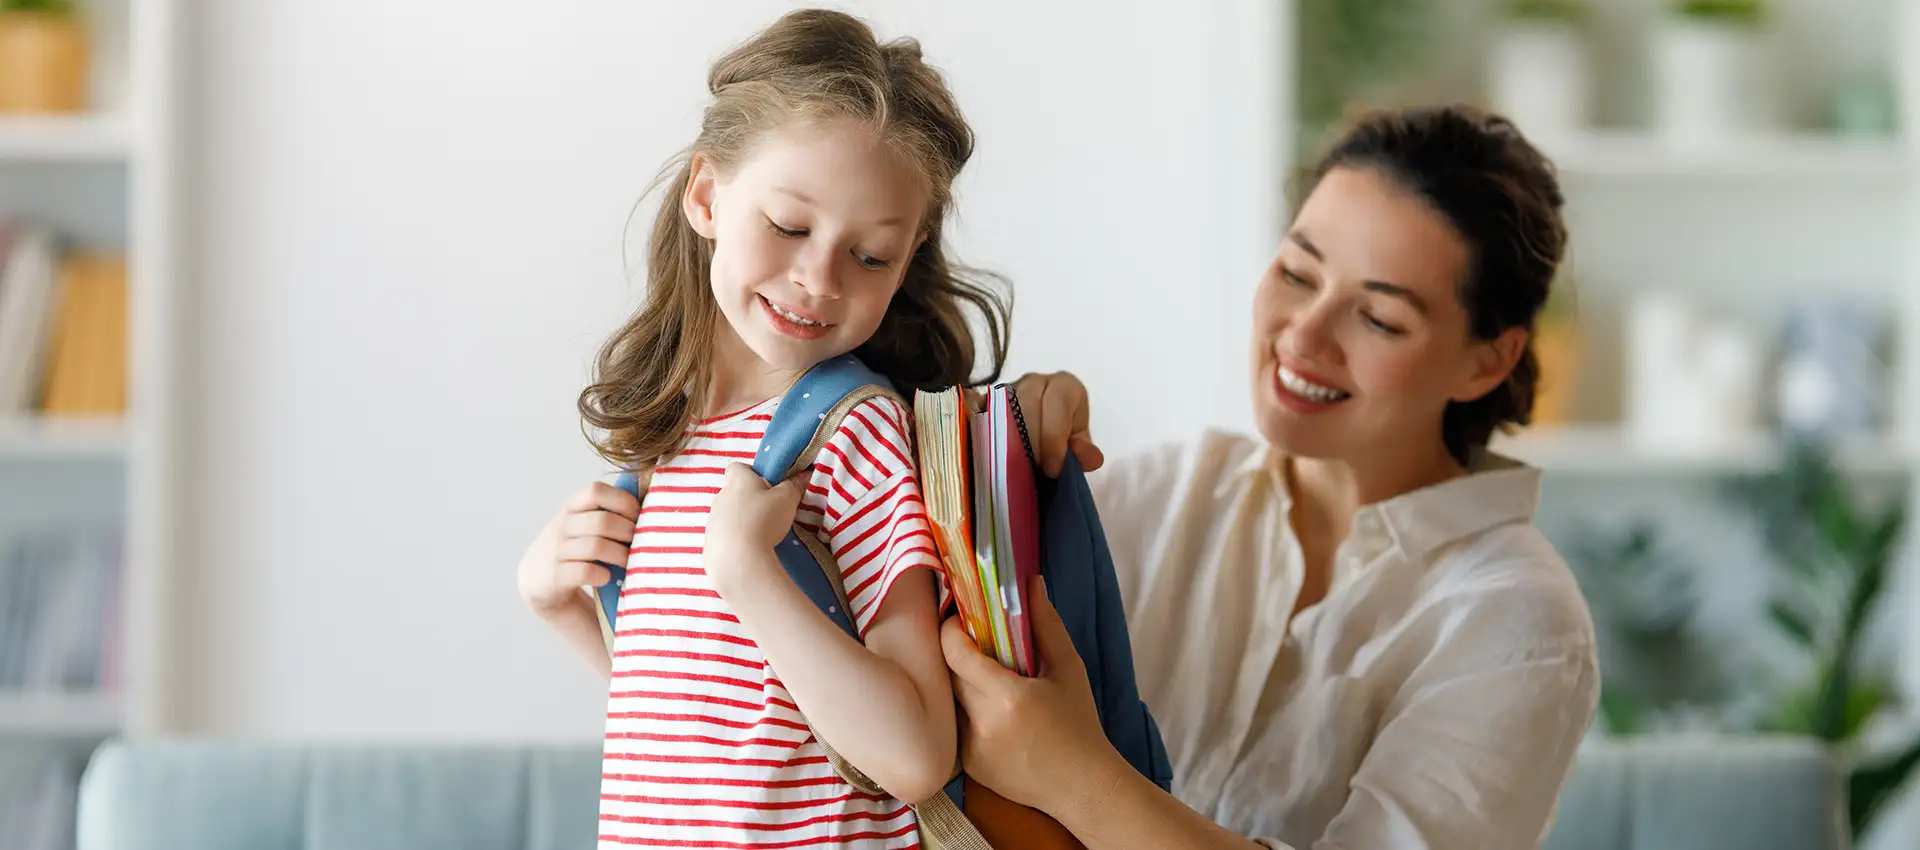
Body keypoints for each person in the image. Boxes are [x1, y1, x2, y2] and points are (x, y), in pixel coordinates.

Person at [945, 105, 1601, 849]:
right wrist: (995, 463)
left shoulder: (1516, 621)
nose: (1304, 333)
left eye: (1380, 318)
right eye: (1297, 273)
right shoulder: (1160, 497)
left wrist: (1076, 776)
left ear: (1489, 361)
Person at [512, 10, 1014, 848]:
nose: (819, 278)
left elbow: (915, 755)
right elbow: (710, 735)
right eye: (789, 226)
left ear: (912, 251)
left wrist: (749, 570)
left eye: (872, 256)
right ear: (707, 195)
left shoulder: (856, 438)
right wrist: (558, 606)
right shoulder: (672, 448)